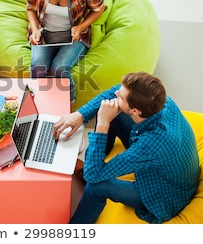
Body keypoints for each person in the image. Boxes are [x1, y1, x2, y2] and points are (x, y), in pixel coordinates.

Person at [53, 72, 199, 223]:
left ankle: (73, 230)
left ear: (136, 111)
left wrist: (103, 124)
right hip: (170, 165)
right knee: (110, 110)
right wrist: (80, 114)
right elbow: (114, 91)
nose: (116, 93)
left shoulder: (148, 145)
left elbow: (93, 177)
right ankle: (97, 161)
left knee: (97, 185)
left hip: (164, 195)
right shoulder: (160, 101)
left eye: (121, 96)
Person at [25, 0, 105, 103]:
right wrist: (35, 29)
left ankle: (68, 109)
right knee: (38, 66)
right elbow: (30, 7)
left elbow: (99, 8)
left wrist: (80, 27)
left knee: (60, 68)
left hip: (73, 36)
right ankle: (36, 105)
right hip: (45, 33)